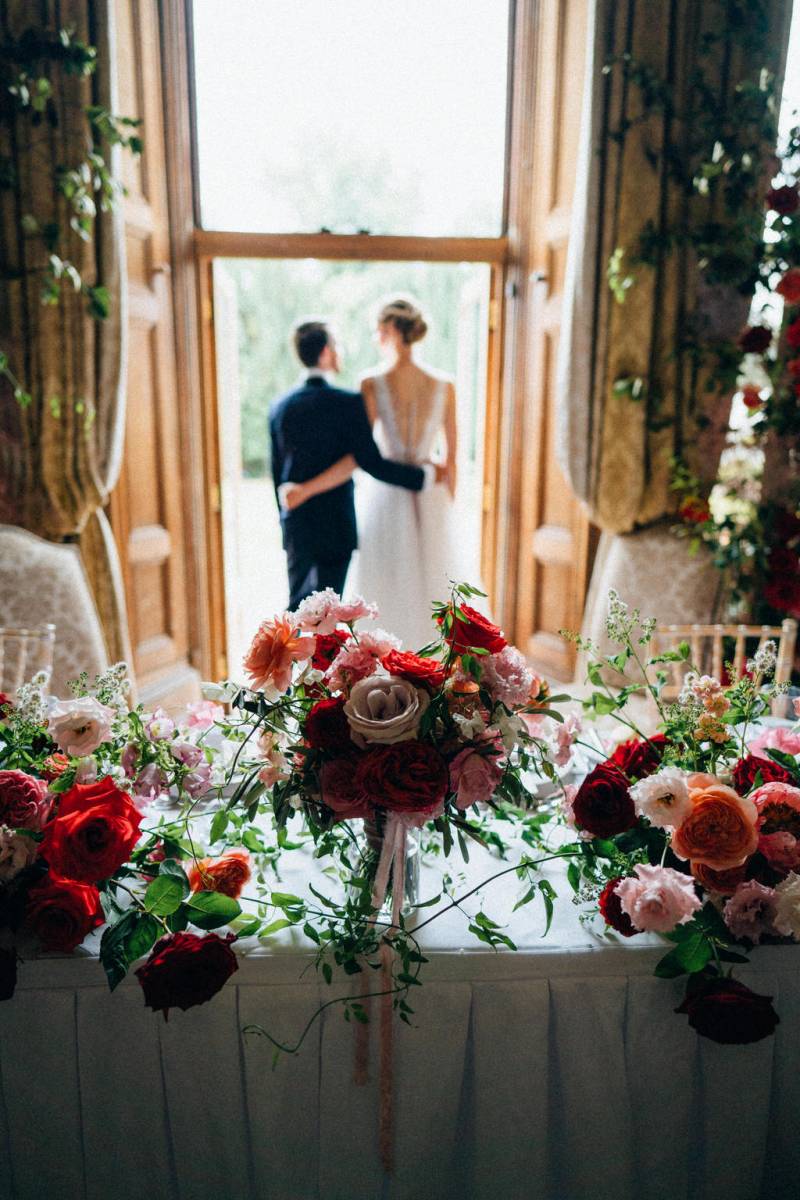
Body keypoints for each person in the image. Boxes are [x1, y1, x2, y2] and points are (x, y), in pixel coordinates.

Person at [281, 297, 464, 647]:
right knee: (437, 592)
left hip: (386, 499)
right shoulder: (444, 384)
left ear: (392, 330)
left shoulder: (372, 383)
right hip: (432, 497)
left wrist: (305, 489)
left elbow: (359, 458)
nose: (375, 337)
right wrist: (448, 513)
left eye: (378, 330)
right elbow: (450, 463)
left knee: (387, 588)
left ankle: (385, 670)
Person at [270, 318, 442, 610]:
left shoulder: (281, 406)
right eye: (336, 346)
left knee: (296, 609)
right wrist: (422, 478)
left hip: (297, 524)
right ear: (326, 352)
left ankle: (292, 657)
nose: (340, 352)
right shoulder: (347, 402)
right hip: (336, 525)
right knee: (330, 613)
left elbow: (277, 472)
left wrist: (285, 517)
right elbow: (370, 461)